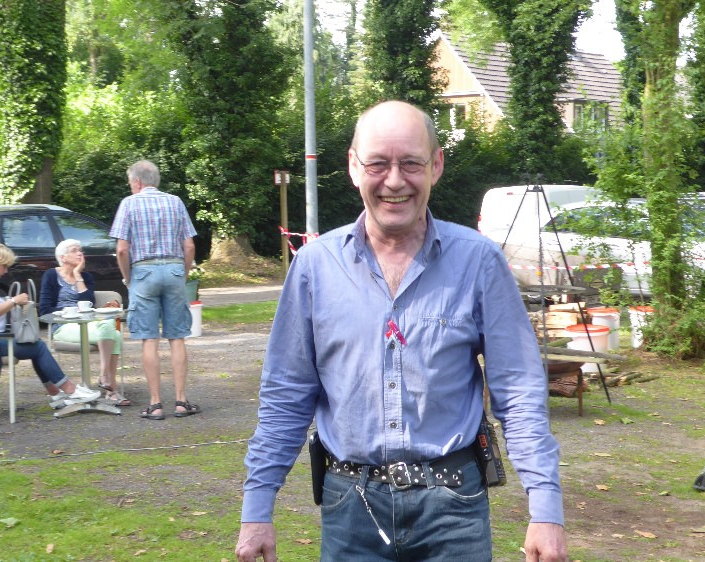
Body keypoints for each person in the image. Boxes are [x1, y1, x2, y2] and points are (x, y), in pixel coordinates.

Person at [235, 101, 566, 561]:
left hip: (454, 509)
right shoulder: (314, 268)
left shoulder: (479, 262)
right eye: (378, 164)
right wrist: (257, 510)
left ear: (436, 165)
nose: (394, 181)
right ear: (354, 166)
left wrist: (546, 510)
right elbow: (285, 395)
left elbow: (519, 389)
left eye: (410, 163)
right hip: (350, 510)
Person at [0, 243, 100, 409]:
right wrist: (13, 301)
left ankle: (56, 394)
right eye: (4, 266)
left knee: (33, 343)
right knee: (37, 347)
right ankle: (71, 391)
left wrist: (8, 302)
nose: (5, 271)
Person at [110, 159, 199, 420]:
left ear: (137, 182)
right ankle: (181, 401)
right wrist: (182, 273)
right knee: (177, 337)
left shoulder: (128, 204)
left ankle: (155, 404)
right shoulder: (175, 202)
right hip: (174, 270)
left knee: (149, 338)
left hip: (143, 272)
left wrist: (128, 278)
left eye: (130, 182)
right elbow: (189, 246)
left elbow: (122, 249)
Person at [39, 239, 128, 406]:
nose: (80, 253)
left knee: (112, 327)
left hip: (87, 324)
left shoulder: (86, 276)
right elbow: (44, 309)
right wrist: (67, 312)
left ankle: (104, 376)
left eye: (81, 250)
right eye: (74, 250)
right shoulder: (51, 275)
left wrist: (78, 275)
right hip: (62, 326)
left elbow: (88, 304)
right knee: (114, 335)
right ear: (63, 257)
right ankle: (111, 389)